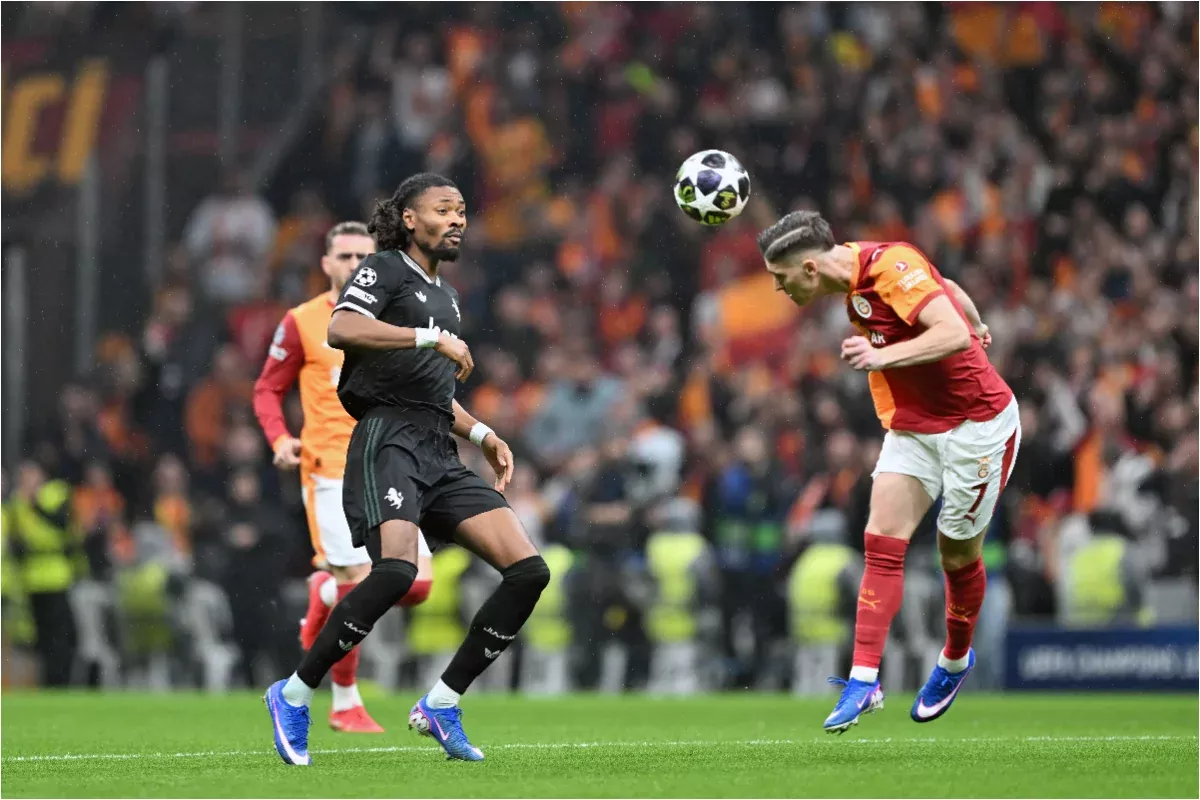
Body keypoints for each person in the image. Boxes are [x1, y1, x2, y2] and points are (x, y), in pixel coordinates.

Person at [264, 174, 549, 765]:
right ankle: (293, 694)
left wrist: (483, 434)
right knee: (395, 573)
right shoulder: (386, 268)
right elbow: (342, 327)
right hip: (387, 439)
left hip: (439, 450)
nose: (457, 219)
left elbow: (435, 393)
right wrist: (427, 338)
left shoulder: (448, 296)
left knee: (528, 572)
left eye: (462, 210)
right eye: (443, 209)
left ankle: (442, 703)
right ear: (410, 219)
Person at [756, 211, 1019, 732]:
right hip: (915, 427)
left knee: (955, 554)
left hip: (978, 426)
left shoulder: (889, 265)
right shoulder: (853, 275)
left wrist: (891, 355)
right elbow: (946, 287)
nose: (778, 289)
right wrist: (976, 316)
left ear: (809, 268)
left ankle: (954, 661)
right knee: (880, 542)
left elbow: (951, 333)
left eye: (780, 277)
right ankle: (863, 681)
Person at [253, 221, 435, 734]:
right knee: (360, 580)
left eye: (363, 257)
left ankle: (327, 593)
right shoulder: (303, 321)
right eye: (345, 257)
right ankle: (344, 702)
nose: (355, 265)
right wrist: (279, 439)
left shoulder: (395, 317)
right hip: (331, 470)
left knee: (417, 585)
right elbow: (267, 389)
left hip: (391, 464)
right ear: (326, 263)